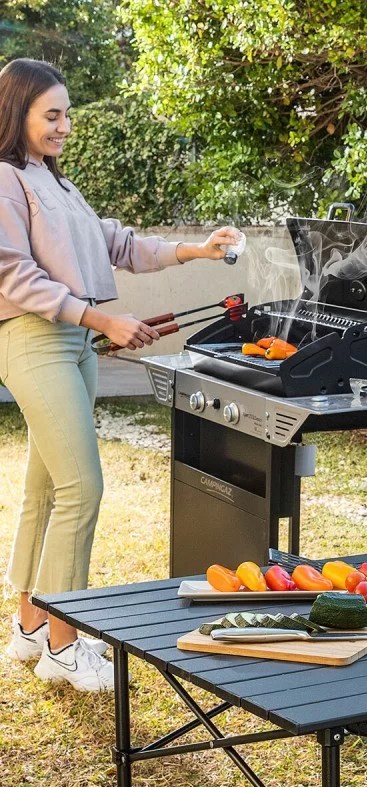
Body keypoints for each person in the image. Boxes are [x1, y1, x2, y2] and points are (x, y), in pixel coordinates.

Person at [0, 58, 240, 691]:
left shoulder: (55, 184)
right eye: (51, 115)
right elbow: (12, 274)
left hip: (72, 342)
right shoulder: (3, 180)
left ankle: (28, 626)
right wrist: (104, 321)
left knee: (48, 490)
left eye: (66, 114)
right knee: (83, 488)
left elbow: (117, 243)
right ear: (16, 111)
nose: (64, 126)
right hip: (33, 340)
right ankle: (63, 642)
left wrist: (196, 249)